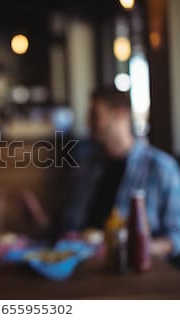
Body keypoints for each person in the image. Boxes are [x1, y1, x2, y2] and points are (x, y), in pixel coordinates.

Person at [61, 87, 180, 260]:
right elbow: (68, 227)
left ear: (120, 114)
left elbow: (176, 236)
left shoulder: (161, 168)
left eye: (95, 115)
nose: (88, 122)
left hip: (132, 271)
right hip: (78, 263)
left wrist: (139, 248)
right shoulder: (87, 164)